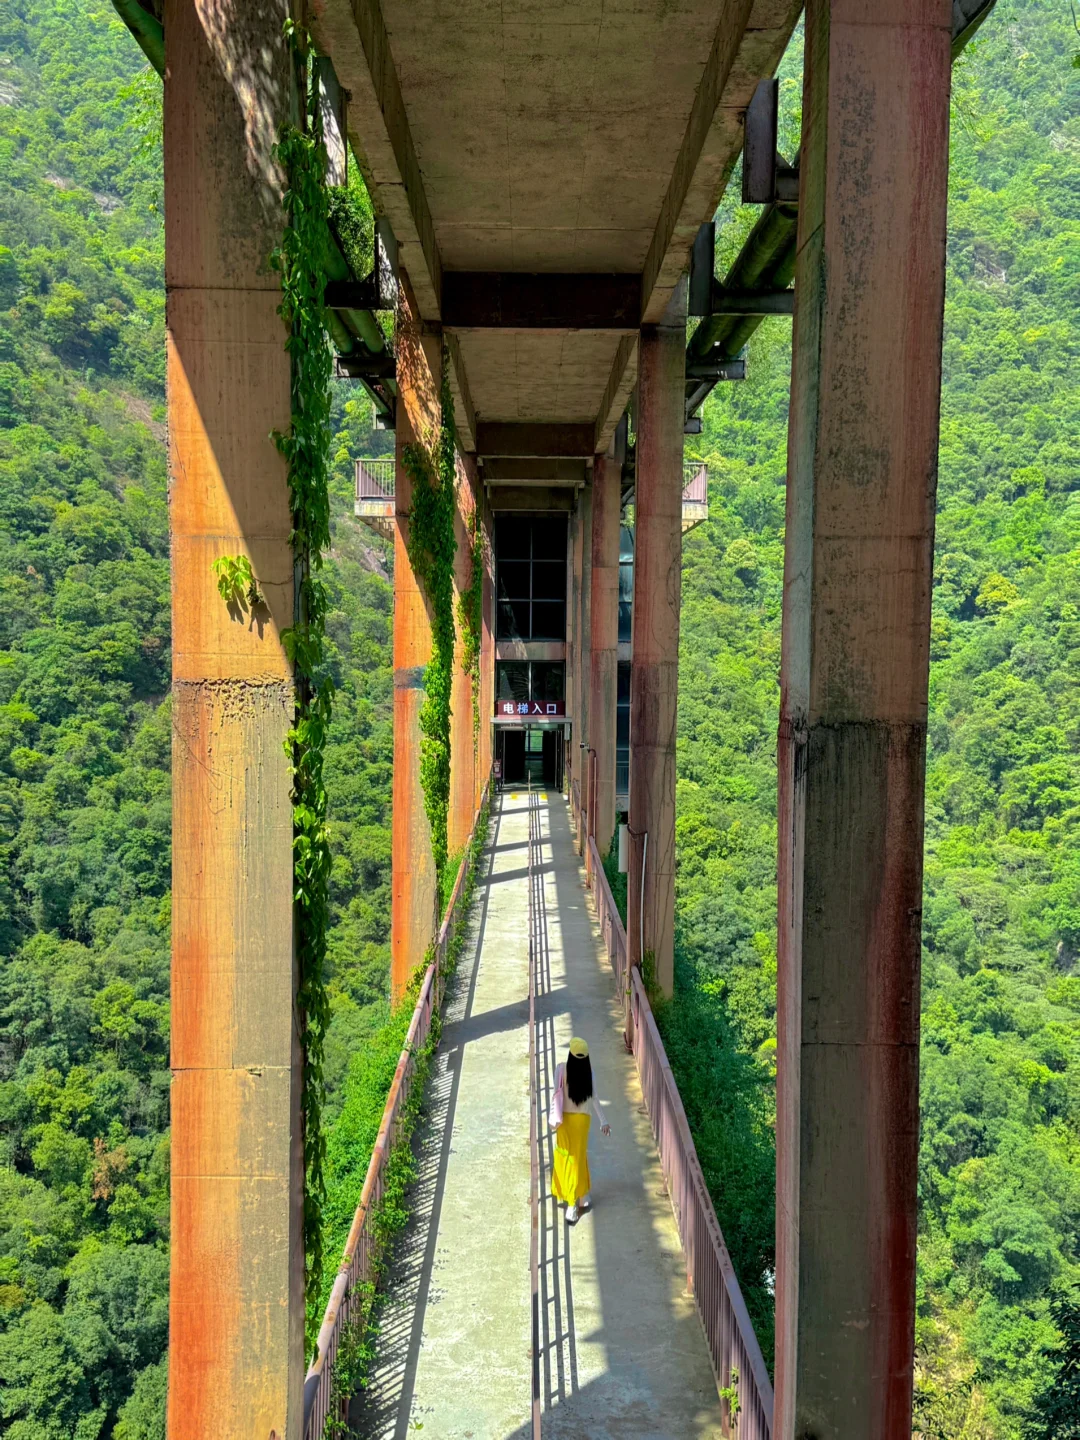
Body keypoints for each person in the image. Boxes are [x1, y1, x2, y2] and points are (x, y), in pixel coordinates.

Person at [549, 1037, 610, 1225]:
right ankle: (582, 1195)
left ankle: (571, 1204)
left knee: (568, 1158)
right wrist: (604, 1121)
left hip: (564, 1120)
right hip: (583, 1121)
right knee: (578, 1157)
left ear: (571, 1054)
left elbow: (556, 1093)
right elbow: (595, 1098)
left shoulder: (560, 1069)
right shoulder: (590, 1073)